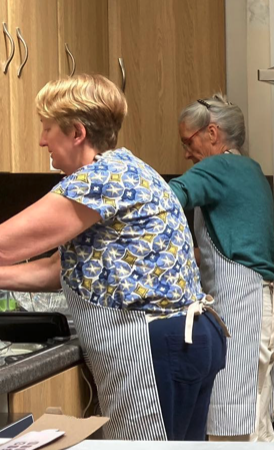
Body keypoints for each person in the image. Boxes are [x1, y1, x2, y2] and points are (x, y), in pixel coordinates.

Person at [0, 74, 228, 441]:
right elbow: (59, 271)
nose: (42, 140)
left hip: (154, 346)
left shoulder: (99, 180)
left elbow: (5, 246)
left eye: (47, 129)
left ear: (76, 133)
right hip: (184, 338)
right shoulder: (126, 169)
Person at [169, 94, 274, 442]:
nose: (187, 153)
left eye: (188, 142)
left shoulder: (217, 168)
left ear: (213, 133)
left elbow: (167, 199)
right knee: (257, 430)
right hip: (264, 310)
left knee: (230, 434)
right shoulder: (250, 170)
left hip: (242, 314)